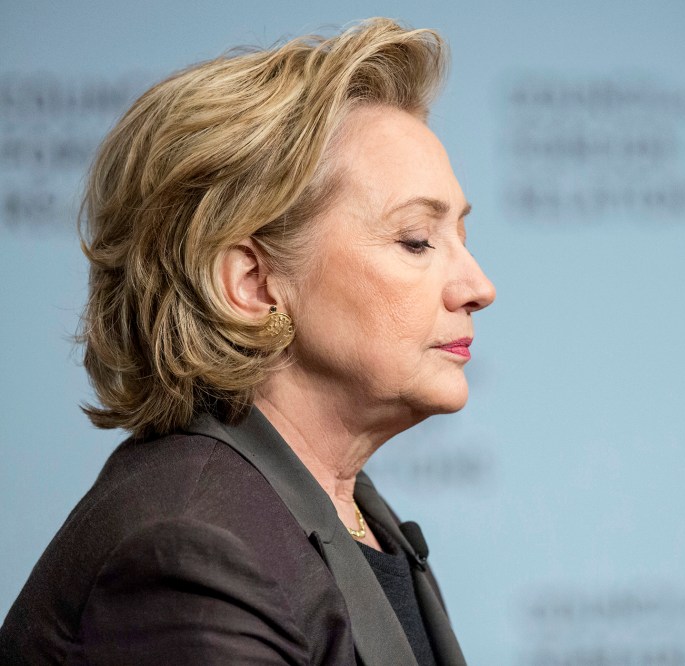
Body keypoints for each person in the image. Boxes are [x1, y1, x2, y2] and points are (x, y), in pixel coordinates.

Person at [0, 17, 494, 665]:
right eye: (416, 240)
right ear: (253, 282)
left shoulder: (346, 510)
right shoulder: (189, 551)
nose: (478, 285)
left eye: (460, 235)